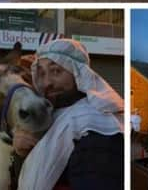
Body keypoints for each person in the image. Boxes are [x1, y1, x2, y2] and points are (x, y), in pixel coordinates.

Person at [14, 38, 124, 190]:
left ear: (78, 72)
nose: (47, 82)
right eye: (42, 74)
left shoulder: (95, 127)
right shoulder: (56, 117)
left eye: (56, 71)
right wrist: (22, 153)